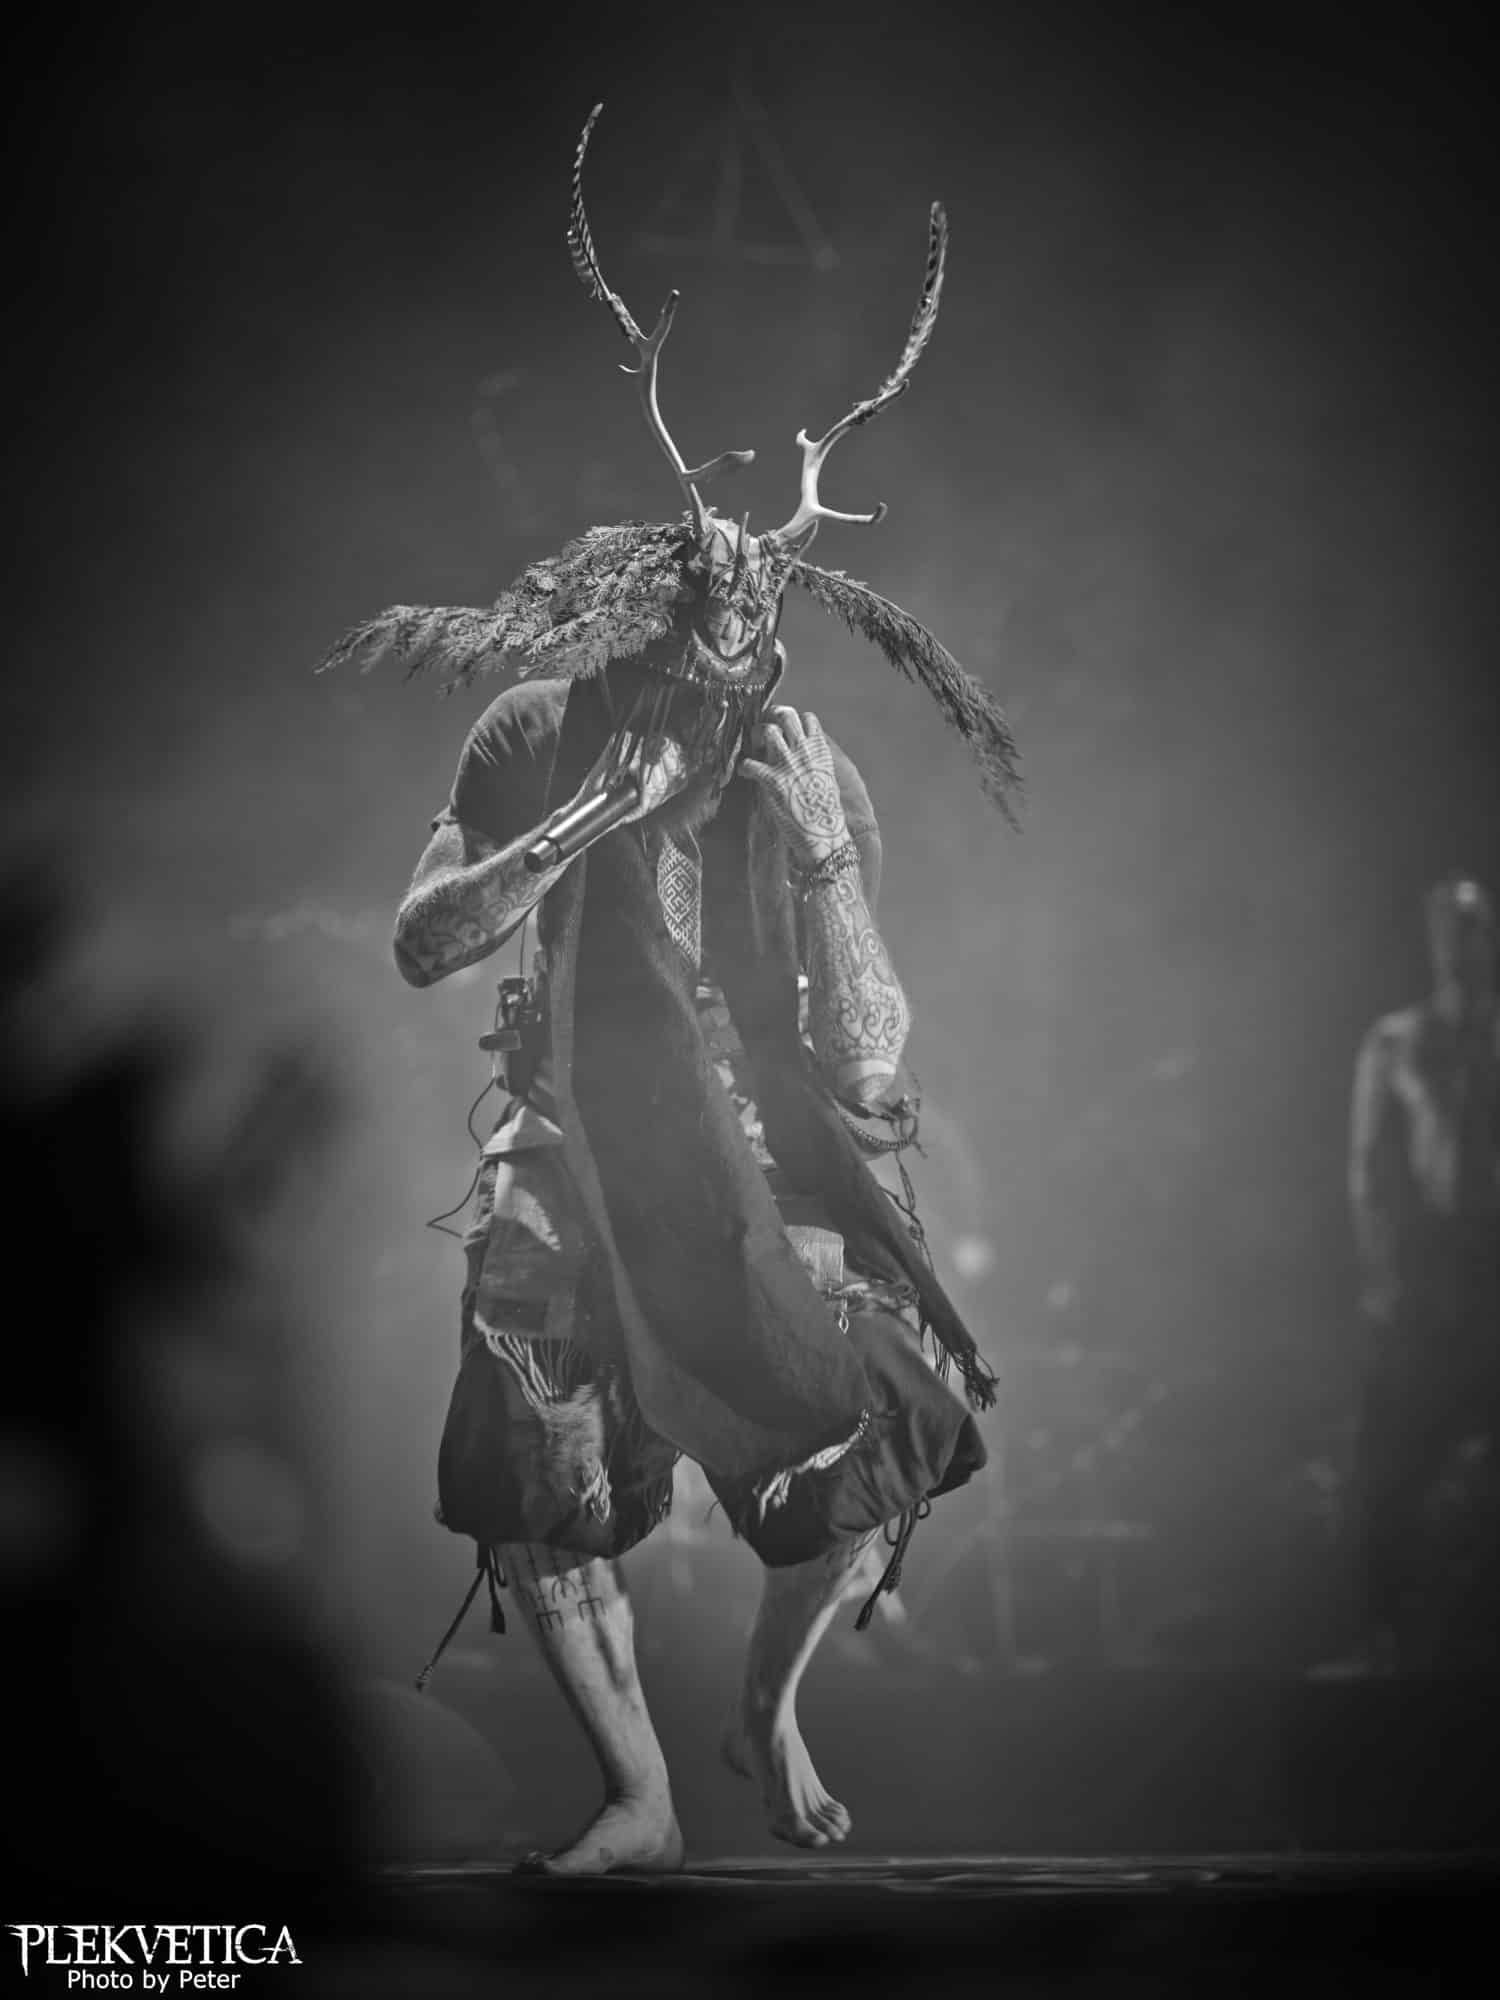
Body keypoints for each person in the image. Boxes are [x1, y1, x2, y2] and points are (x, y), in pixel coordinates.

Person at [324, 102, 1019, 1874]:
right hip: (578, 1134)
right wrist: (582, 821)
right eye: (700, 634)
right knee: (528, 1436)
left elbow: (872, 1050)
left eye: (751, 643)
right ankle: (636, 1795)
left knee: (885, 1398)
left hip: (765, 1151)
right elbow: (422, 942)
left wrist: (827, 856)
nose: (725, 669)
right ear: (651, 615)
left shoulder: (808, 768)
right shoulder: (543, 729)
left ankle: (764, 1708)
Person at [1343, 874, 1500, 1669]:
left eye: (1473, 927)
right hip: (1428, 1274)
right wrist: (1384, 1273)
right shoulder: (1398, 1040)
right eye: (1447, 927)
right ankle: (1386, 1629)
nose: (1459, 942)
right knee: (1393, 1456)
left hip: (1490, 1262)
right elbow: (1369, 1168)